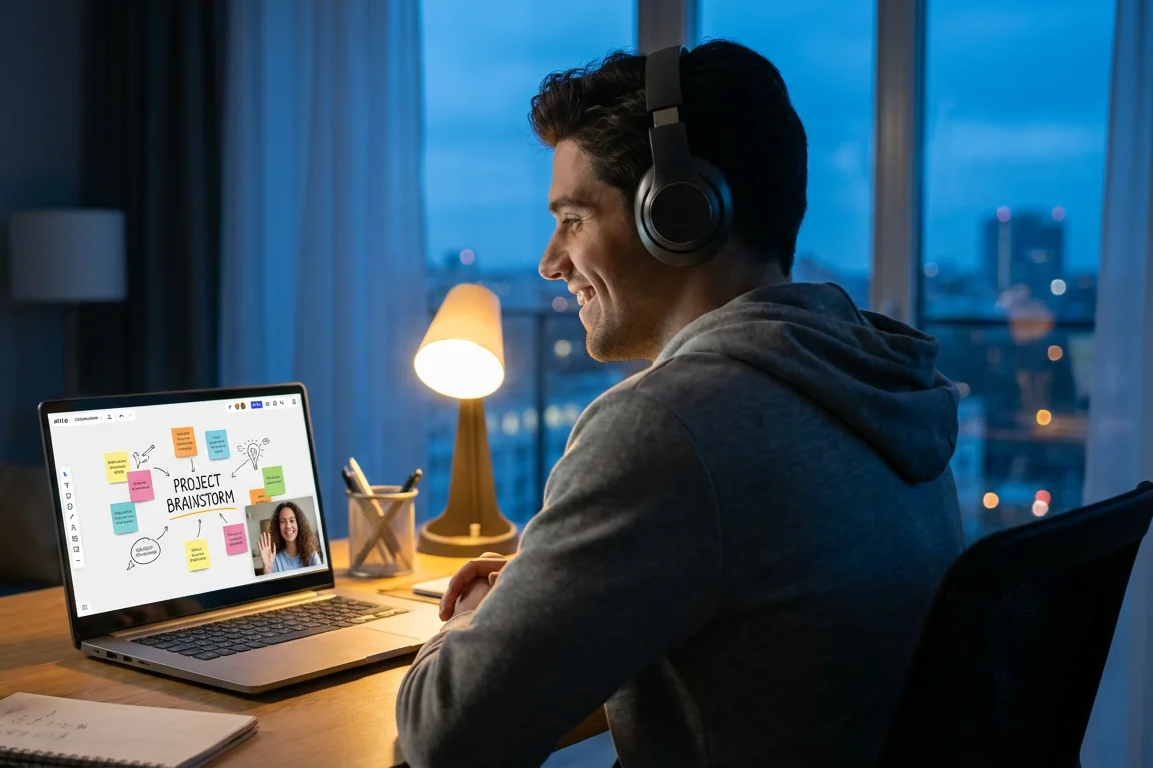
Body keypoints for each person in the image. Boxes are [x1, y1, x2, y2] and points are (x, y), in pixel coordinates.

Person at [395, 41, 963, 768]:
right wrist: (552, 591)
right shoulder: (881, 384)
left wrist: (472, 620)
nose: (550, 261)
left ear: (679, 211)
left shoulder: (665, 426)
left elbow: (449, 737)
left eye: (573, 218)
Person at [257, 501, 322, 574]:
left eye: (292, 520)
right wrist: (267, 568)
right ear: (278, 527)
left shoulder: (311, 555)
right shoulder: (274, 559)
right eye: (283, 521)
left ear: (299, 524)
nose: (288, 526)